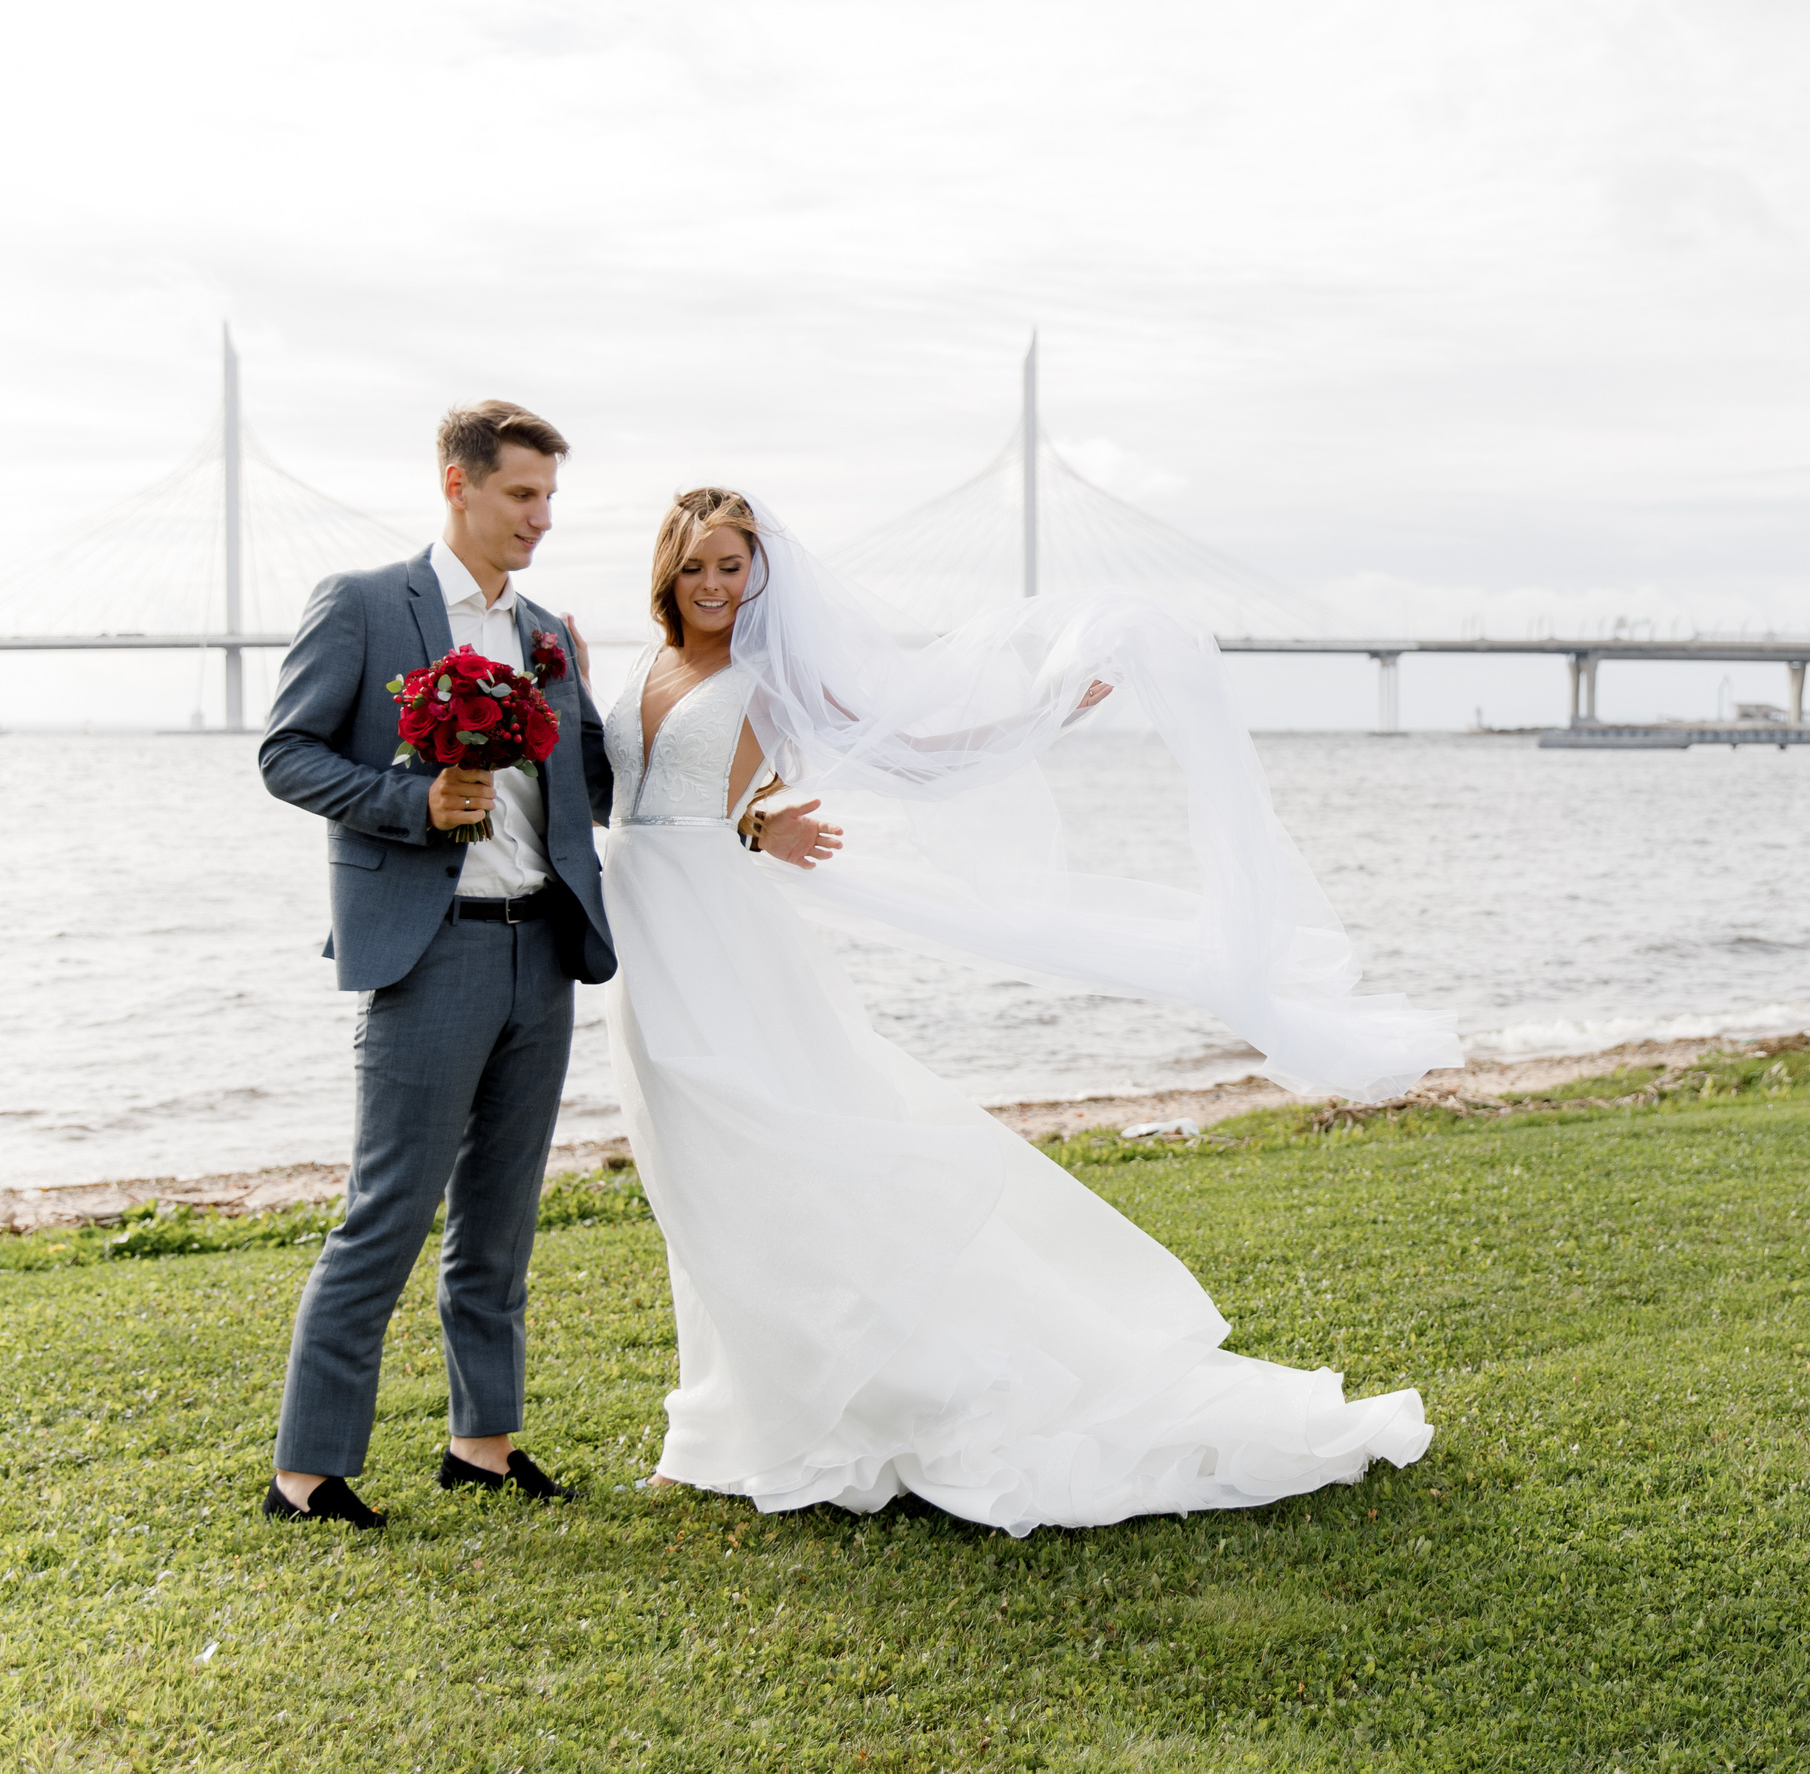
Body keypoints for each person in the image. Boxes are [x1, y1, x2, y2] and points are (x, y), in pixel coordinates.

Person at [605, 488, 1457, 1534]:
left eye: (732, 566)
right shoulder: (638, 666)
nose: (713, 585)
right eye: (696, 566)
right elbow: (638, 792)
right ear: (666, 569)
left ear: (758, 574)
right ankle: (722, 1424)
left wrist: (1048, 711)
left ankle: (790, 1420)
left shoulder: (770, 675)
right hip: (640, 941)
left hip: (721, 941)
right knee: (691, 1178)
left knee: (764, 1164)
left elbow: (913, 753)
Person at [256, 401, 616, 1527]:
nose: (540, 518)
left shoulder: (548, 629)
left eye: (550, 497)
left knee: (502, 1218)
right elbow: (286, 752)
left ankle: (482, 1445)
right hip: (427, 952)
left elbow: (590, 793)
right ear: (456, 484)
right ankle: (306, 1473)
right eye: (522, 494)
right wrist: (412, 802)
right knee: (388, 1211)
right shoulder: (366, 604)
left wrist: (587, 695)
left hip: (540, 948)